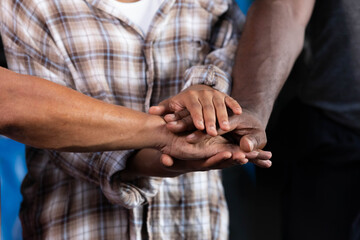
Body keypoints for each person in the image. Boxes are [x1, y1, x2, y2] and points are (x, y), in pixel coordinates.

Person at [0, 0, 271, 239]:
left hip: (196, 226)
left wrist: (209, 99)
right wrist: (173, 144)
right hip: (75, 226)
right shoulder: (31, 7)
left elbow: (229, 66)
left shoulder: (213, 5)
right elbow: (43, 126)